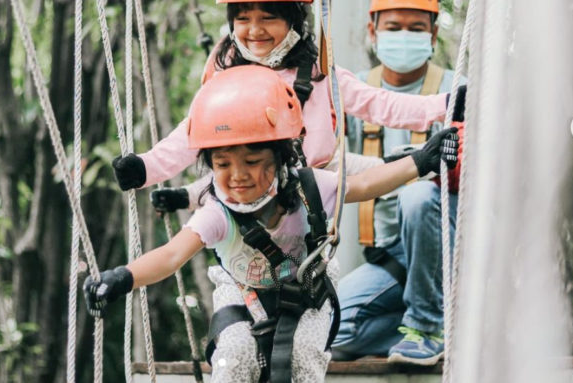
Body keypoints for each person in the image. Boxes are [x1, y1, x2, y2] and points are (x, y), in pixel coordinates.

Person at [83, 66, 458, 383]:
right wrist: (122, 277)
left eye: (252, 160)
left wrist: (421, 161)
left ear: (280, 158)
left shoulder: (309, 186)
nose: (237, 176)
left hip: (307, 292)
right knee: (233, 359)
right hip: (241, 292)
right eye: (223, 164)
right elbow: (171, 255)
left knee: (304, 359)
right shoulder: (217, 210)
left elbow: (361, 185)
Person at [111, 0, 466, 204]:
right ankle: (189, 196)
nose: (255, 30)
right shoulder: (227, 77)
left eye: (268, 18)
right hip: (257, 178)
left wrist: (446, 104)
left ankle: (408, 161)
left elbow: (381, 105)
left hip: (321, 171)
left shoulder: (318, 73)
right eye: (244, 20)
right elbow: (191, 134)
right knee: (225, 183)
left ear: (293, 21)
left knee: (378, 171)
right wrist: (145, 168)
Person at [331, 0, 466, 366]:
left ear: (433, 34)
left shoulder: (458, 90)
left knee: (418, 193)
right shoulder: (356, 90)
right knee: (330, 330)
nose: (403, 36)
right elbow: (330, 160)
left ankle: (426, 325)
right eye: (393, 27)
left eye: (415, 28)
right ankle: (445, 325)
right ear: (373, 31)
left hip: (448, 235)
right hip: (394, 253)